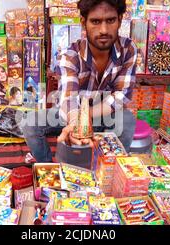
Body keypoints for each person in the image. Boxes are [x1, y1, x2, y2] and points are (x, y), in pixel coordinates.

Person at [21, 0, 137, 162]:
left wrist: (86, 117)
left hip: (104, 114)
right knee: (28, 122)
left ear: (119, 19)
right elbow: (68, 99)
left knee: (127, 119)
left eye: (110, 20)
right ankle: (47, 167)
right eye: (95, 21)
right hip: (71, 115)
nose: (103, 30)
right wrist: (76, 122)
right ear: (84, 23)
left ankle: (111, 168)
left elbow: (121, 96)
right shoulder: (69, 55)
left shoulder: (128, 49)